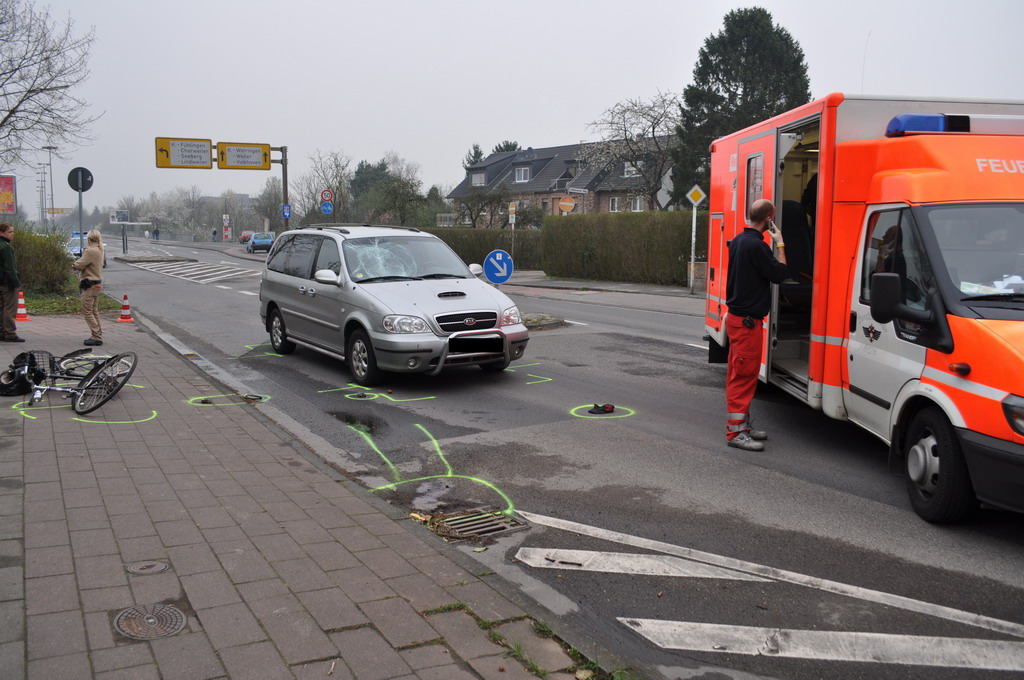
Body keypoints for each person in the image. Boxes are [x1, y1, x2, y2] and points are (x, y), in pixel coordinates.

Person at [724, 199, 789, 451]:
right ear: (769, 218)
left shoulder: (740, 240)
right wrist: (780, 242)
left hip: (738, 320)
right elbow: (781, 274)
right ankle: (735, 434)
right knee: (743, 377)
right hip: (747, 323)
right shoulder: (757, 246)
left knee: (742, 375)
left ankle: (743, 427)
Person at [72, 229, 105, 346]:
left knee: (87, 311)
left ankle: (96, 336)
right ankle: (98, 333)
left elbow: (80, 264)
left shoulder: (90, 251)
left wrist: (74, 265)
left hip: (89, 284)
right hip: (97, 283)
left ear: (89, 239)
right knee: (94, 310)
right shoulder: (100, 249)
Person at [0, 223, 25, 342]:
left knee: (1, 307)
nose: (12, 234)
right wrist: (16, 283)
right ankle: (10, 333)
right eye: (10, 232)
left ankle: (1, 331)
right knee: (10, 308)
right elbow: (10, 268)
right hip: (7, 282)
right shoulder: (6, 247)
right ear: (1, 233)